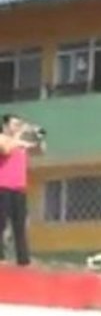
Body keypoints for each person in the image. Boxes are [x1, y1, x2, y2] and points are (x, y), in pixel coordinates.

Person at [0, 114, 45, 266]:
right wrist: (19, 135)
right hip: (2, 187)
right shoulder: (3, 138)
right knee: (1, 223)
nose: (18, 127)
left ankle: (23, 260)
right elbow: (5, 150)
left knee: (20, 225)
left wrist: (39, 138)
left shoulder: (21, 143)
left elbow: (40, 152)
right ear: (6, 126)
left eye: (19, 124)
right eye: (15, 124)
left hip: (19, 188)